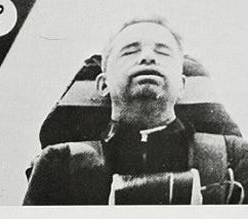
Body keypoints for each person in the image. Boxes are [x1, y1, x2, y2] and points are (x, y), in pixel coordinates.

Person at [23, 16, 248, 205]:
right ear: (103, 84)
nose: (148, 56)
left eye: (163, 52)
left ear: (182, 86)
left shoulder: (234, 157)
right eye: (130, 51)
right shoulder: (61, 163)